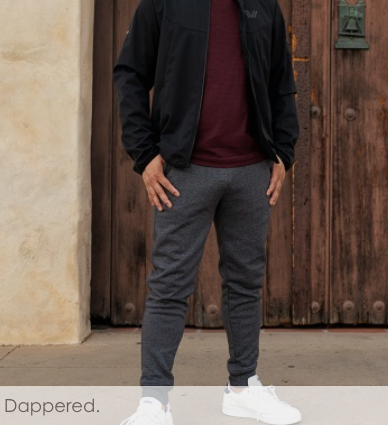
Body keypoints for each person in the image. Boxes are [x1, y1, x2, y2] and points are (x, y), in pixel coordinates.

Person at [113, 0, 300, 424]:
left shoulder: (262, 6)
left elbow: (281, 83)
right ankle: (154, 402)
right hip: (184, 171)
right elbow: (130, 73)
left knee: (245, 284)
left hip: (251, 171)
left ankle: (243, 388)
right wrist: (145, 155)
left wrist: (283, 152)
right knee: (169, 285)